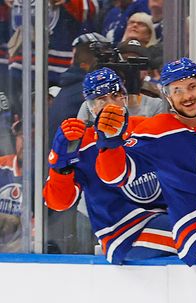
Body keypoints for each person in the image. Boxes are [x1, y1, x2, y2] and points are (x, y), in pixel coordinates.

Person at [94, 57, 196, 265]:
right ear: (167, 96)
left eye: (191, 87)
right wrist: (110, 146)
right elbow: (116, 177)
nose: (187, 96)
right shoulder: (155, 132)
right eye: (177, 91)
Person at [44, 67, 175, 264]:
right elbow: (59, 203)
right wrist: (61, 168)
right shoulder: (82, 145)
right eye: (101, 99)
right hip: (124, 233)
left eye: (115, 95)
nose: (110, 104)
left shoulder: (147, 128)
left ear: (125, 97)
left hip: (163, 218)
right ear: (91, 107)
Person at [0, 118, 22, 252]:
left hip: (24, 248)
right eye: (22, 136)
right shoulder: (2, 165)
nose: (26, 142)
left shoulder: (45, 173)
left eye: (32, 134)